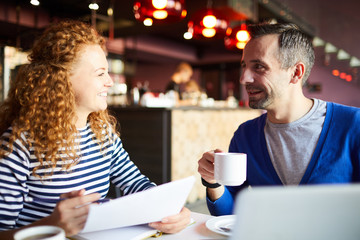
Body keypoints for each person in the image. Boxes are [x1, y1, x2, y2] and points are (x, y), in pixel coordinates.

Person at [0, 20, 190, 239]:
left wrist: (167, 208)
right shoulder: (19, 145)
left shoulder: (103, 133)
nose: (110, 81)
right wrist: (52, 225)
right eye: (100, 73)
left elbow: (135, 183)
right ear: (62, 81)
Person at [197, 22, 360, 216]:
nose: (244, 79)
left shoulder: (353, 125)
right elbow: (230, 214)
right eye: (244, 67)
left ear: (296, 73)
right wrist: (213, 182)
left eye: (258, 67)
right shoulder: (245, 135)